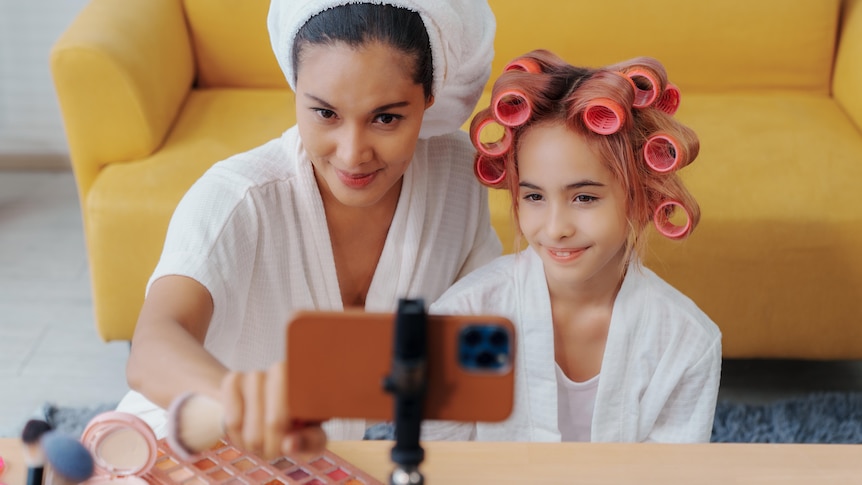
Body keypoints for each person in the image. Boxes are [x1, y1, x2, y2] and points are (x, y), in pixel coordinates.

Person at [118, 0, 499, 458]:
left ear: (428, 97)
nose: (352, 153)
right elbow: (154, 342)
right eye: (325, 113)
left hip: (312, 462)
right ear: (296, 88)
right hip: (167, 449)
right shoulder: (238, 197)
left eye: (386, 118)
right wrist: (240, 403)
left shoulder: (458, 176)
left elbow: (485, 337)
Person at [423, 50, 722, 443]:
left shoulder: (688, 343)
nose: (555, 228)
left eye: (584, 198)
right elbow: (440, 463)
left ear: (640, 196)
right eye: (534, 197)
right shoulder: (462, 319)